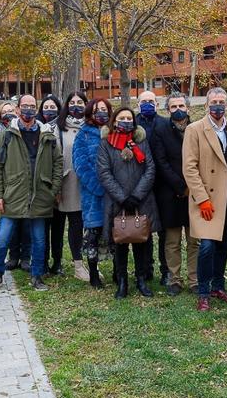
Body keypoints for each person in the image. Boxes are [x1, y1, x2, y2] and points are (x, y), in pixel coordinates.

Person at [0, 93, 63, 292]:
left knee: (39, 239)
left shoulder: (47, 135)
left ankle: (37, 276)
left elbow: (58, 163)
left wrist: (53, 189)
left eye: (32, 106)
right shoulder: (7, 134)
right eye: (24, 106)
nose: (28, 109)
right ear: (17, 110)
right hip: (13, 195)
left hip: (40, 197)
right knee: (3, 238)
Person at [182, 87, 227, 312]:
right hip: (206, 199)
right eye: (214, 101)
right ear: (206, 105)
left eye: (222, 101)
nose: (218, 105)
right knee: (206, 246)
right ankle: (203, 292)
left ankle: (219, 286)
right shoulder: (194, 129)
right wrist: (201, 198)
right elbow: (189, 167)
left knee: (223, 245)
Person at [97, 107, 159, 298]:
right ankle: (122, 281)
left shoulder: (141, 141)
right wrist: (123, 198)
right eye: (122, 118)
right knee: (121, 242)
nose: (126, 121)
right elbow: (104, 173)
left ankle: (141, 279)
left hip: (141, 200)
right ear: (114, 121)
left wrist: (136, 196)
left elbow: (150, 169)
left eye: (129, 118)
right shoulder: (106, 144)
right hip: (117, 202)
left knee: (141, 240)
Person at [152, 92, 195, 296]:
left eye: (181, 106)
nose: (178, 110)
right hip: (170, 193)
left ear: (188, 108)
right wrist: (180, 186)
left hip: (195, 193)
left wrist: (192, 187)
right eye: (173, 107)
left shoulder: (197, 129)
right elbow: (161, 162)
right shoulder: (160, 130)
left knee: (195, 240)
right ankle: (174, 279)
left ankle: (195, 280)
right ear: (167, 110)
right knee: (172, 241)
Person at [73, 97, 113, 289]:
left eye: (104, 109)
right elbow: (80, 165)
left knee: (115, 233)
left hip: (115, 194)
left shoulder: (115, 132)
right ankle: (94, 274)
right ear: (90, 112)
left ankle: (117, 271)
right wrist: (99, 187)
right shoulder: (84, 135)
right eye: (97, 110)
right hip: (93, 194)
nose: (101, 113)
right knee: (93, 236)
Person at [57, 91, 89, 281]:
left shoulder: (93, 126)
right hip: (69, 184)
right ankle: (78, 265)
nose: (76, 105)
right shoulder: (59, 128)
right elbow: (56, 159)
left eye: (80, 102)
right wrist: (57, 188)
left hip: (90, 185)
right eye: (72, 102)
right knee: (75, 224)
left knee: (90, 225)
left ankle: (91, 262)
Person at [134, 89, 164, 282]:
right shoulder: (132, 125)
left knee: (163, 230)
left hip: (162, 184)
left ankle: (165, 269)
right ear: (138, 104)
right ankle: (146, 267)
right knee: (143, 229)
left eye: (150, 101)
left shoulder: (164, 124)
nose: (147, 104)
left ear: (157, 104)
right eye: (143, 101)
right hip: (140, 184)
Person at [37, 95, 67, 275]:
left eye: (53, 107)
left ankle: (57, 262)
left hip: (59, 182)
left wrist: (58, 186)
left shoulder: (63, 128)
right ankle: (42, 262)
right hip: (41, 185)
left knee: (57, 227)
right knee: (42, 228)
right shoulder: (37, 128)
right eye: (46, 107)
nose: (49, 110)